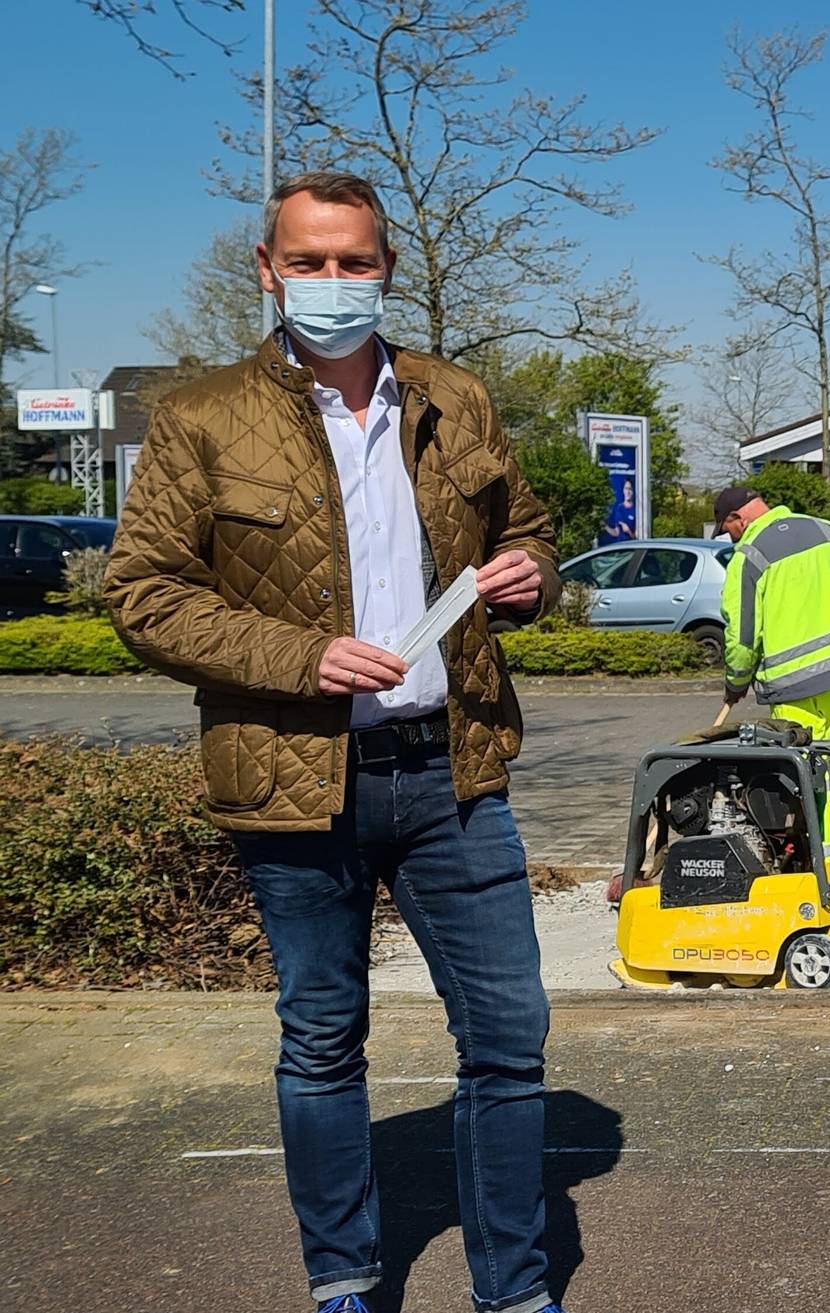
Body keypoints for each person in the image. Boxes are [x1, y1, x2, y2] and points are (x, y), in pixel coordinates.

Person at [106, 171, 568, 1313]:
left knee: (509, 1037)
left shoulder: (454, 397)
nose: (332, 281)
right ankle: (344, 1278)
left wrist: (533, 576)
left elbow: (526, 530)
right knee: (322, 1038)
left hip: (453, 770)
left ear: (386, 269)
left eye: (354, 261)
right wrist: (299, 655)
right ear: (268, 270)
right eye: (308, 261)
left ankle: (515, 1288)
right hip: (293, 777)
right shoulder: (203, 416)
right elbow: (144, 594)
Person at [715, 486, 830, 860]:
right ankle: (816, 856)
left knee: (802, 774)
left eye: (728, 529)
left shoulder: (749, 556)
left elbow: (742, 637)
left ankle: (824, 862)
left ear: (739, 518)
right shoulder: (823, 529)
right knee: (814, 766)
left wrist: (736, 682)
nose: (731, 537)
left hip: (793, 685)